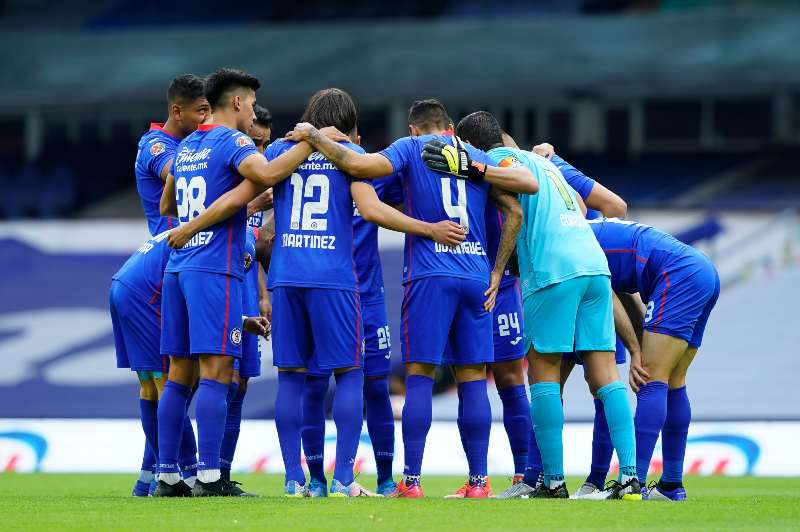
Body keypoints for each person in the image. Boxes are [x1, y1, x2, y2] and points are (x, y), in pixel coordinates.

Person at [168, 88, 467, 497]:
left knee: (292, 378)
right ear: (346, 122)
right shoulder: (346, 156)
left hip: (287, 277)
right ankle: (344, 478)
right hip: (334, 278)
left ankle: (295, 480)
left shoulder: (277, 151)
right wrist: (429, 229)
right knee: (349, 375)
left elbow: (251, 200)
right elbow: (373, 211)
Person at [287, 98, 536, 498]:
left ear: (415, 128)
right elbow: (516, 209)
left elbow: (361, 167)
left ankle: (412, 482)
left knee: (419, 376)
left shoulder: (410, 147)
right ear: (449, 126)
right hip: (476, 276)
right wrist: (496, 269)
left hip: (429, 274)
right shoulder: (471, 155)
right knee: (473, 379)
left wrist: (315, 137)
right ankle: (479, 483)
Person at [451, 111, 640, 500]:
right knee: (606, 374)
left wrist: (499, 269)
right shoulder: (545, 162)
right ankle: (632, 478)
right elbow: (583, 209)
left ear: (472, 146)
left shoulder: (502, 162)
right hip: (593, 264)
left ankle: (553, 482)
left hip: (552, 271)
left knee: (542, 374)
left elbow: (519, 201)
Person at [155, 68, 320, 497]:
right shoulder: (235, 141)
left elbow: (166, 201)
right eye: (249, 104)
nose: (251, 113)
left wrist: (198, 217)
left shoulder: (188, 143)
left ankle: (168, 474)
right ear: (237, 103)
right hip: (214, 268)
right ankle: (211, 476)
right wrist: (309, 143)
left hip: (178, 267)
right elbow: (265, 175)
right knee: (217, 372)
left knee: (177, 374)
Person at [587, 217, 719, 501]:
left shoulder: (575, 244)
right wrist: (636, 347)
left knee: (651, 380)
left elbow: (608, 299)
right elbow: (627, 296)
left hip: (677, 275)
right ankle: (671, 485)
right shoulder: (595, 233)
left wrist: (636, 352)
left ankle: (632, 483)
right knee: (674, 381)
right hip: (702, 270)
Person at [300, 171, 402, 498]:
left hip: (368, 296)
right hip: (328, 294)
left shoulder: (374, 177)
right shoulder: (310, 175)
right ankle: (317, 479)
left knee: (376, 386)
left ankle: (385, 479)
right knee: (315, 384)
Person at [110, 231, 172, 496]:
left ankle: (146, 479)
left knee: (149, 386)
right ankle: (168, 474)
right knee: (168, 385)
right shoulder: (206, 233)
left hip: (121, 286)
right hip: (143, 297)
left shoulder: (180, 228)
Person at [135, 75, 209, 236]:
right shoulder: (155, 146)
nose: (208, 118)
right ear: (177, 112)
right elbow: (186, 172)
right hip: (171, 248)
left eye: (212, 111)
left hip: (196, 243)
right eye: (202, 110)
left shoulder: (192, 143)